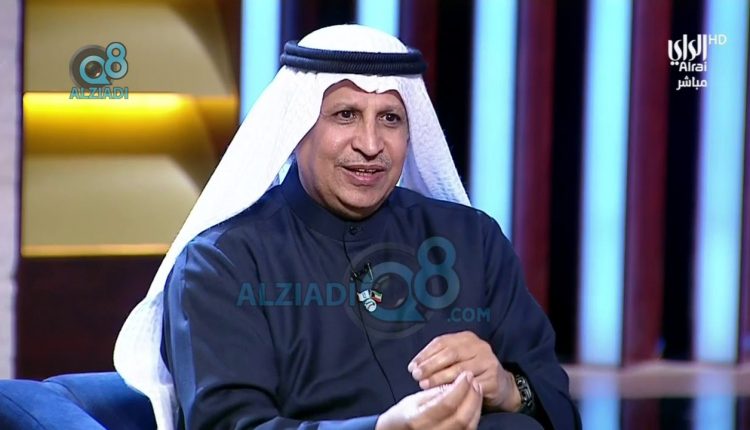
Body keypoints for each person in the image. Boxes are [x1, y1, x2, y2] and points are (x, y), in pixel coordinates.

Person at [114, 25, 580, 430]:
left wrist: (509, 388)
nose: (371, 144)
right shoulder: (222, 263)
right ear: (297, 128)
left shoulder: (473, 240)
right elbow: (231, 424)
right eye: (345, 115)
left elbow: (558, 403)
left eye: (390, 119)